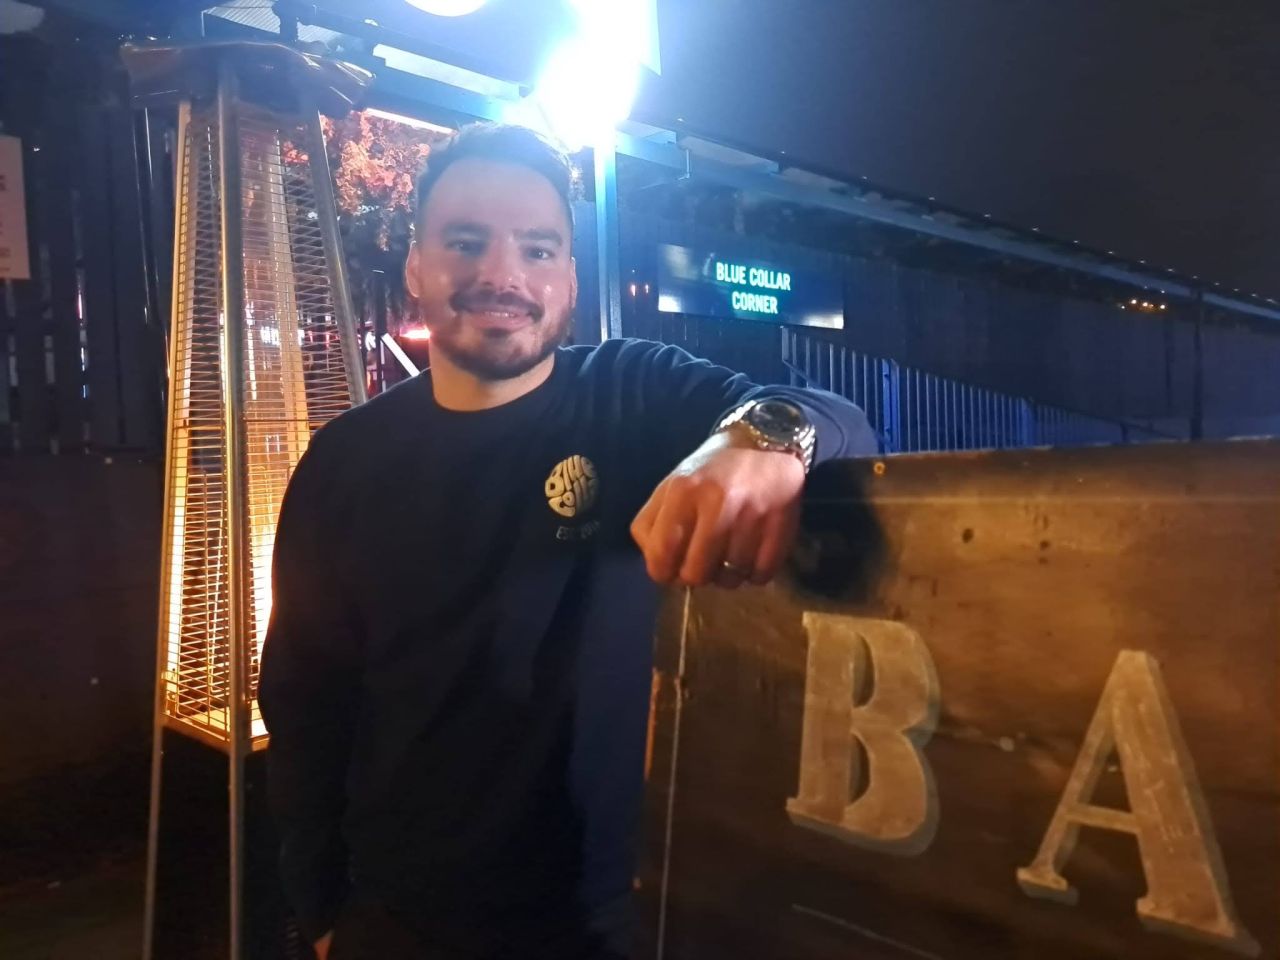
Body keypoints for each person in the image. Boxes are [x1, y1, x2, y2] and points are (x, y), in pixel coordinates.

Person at [259, 122, 878, 960]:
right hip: (399, 919)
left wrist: (760, 441)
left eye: (538, 249)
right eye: (466, 243)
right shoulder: (343, 461)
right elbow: (304, 700)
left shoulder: (632, 393)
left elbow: (839, 419)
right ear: (415, 267)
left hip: (613, 920)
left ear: (570, 279)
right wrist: (322, 913)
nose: (502, 274)